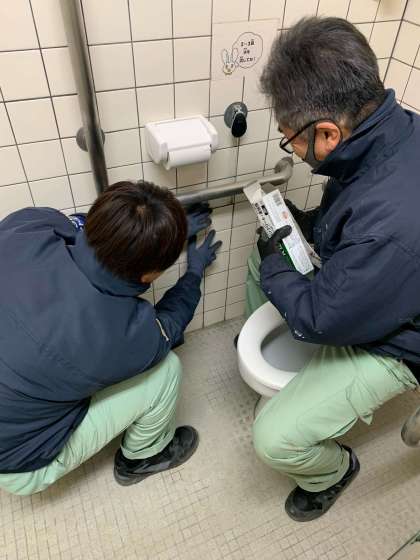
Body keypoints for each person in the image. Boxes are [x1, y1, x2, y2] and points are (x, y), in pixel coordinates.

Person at [244, 17, 420, 522]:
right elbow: (354, 214)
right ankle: (299, 375)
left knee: (272, 439)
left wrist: (280, 268)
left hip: (401, 340)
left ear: (327, 132)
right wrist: (301, 226)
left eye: (291, 142)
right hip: (382, 280)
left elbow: (321, 319)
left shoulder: (389, 225)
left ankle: (333, 471)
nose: (294, 153)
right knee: (265, 259)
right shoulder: (387, 135)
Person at [0, 180, 221, 495]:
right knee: (166, 372)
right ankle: (142, 459)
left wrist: (153, 237)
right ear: (148, 276)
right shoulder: (120, 334)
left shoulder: (26, 227)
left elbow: (79, 226)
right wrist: (193, 273)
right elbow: (169, 326)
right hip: (16, 460)